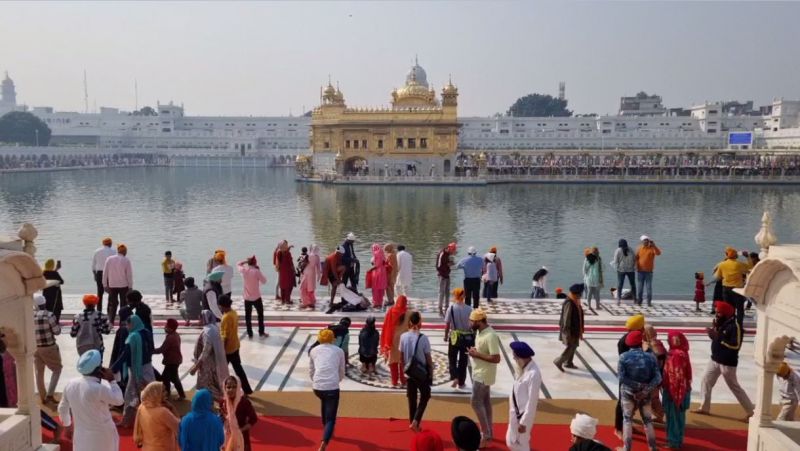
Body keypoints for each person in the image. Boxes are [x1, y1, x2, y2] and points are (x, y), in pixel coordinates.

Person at [694, 301, 755, 421]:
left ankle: (752, 412)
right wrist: (714, 333)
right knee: (706, 381)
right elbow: (717, 336)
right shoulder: (721, 322)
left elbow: (736, 345)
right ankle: (704, 407)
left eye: (719, 313)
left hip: (727, 362)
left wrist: (718, 337)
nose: (716, 315)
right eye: (716, 312)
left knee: (734, 387)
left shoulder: (735, 326)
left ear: (726, 313)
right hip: (715, 359)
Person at [58, 350, 124, 451]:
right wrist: (112, 381)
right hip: (102, 437)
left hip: (81, 436)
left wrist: (67, 425)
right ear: (99, 369)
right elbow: (119, 400)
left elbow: (62, 408)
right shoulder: (99, 388)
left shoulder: (70, 384)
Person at [618, 330, 661, 451]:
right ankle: (653, 448)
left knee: (627, 419)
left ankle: (627, 448)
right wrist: (644, 390)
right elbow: (658, 377)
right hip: (645, 394)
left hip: (627, 392)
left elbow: (621, 377)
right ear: (640, 343)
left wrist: (636, 386)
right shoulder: (651, 357)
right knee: (647, 421)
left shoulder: (623, 357)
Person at [111, 314, 156, 427]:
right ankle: (153, 420)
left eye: (128, 324)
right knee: (151, 395)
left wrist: (114, 368)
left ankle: (128, 421)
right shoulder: (147, 333)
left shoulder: (132, 337)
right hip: (148, 368)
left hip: (136, 371)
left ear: (133, 324)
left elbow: (125, 354)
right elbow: (151, 349)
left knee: (131, 396)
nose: (127, 327)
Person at [468, 308, 501, 448]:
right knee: (485, 402)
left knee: (475, 402)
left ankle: (485, 433)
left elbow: (496, 358)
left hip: (483, 374)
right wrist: (475, 352)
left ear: (479, 321)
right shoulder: (480, 332)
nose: (470, 323)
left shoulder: (491, 335)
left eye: (472, 321)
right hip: (479, 372)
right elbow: (483, 351)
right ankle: (489, 432)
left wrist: (477, 355)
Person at [309, 328, 346, 451]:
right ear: (332, 339)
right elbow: (341, 371)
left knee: (324, 403)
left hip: (317, 387)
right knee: (331, 418)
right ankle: (324, 443)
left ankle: (327, 430)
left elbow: (311, 370)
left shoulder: (314, 351)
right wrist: (337, 380)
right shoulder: (339, 351)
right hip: (332, 387)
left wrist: (316, 381)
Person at [400, 311, 433, 432]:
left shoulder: (403, 337)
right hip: (421, 372)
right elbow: (428, 358)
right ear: (420, 323)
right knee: (426, 395)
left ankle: (412, 422)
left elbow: (401, 357)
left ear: (409, 322)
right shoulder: (423, 338)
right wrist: (431, 372)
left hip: (409, 371)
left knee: (411, 398)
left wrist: (402, 373)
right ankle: (416, 421)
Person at [506, 341, 542, 451]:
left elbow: (532, 401)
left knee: (520, 445)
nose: (515, 360)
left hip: (522, 418)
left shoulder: (533, 374)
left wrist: (524, 422)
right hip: (515, 414)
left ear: (521, 357)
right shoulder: (523, 369)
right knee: (511, 441)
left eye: (515, 358)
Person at [614, 314, 646, 439]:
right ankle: (618, 428)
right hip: (628, 377)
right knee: (622, 401)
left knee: (633, 401)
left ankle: (628, 423)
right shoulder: (625, 342)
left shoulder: (637, 338)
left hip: (637, 376)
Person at [190, 310, 230, 402]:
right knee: (213, 385)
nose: (198, 321)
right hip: (214, 363)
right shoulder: (214, 328)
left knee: (208, 387)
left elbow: (206, 350)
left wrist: (196, 367)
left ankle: (222, 403)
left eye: (200, 318)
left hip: (207, 365)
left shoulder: (207, 332)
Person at [218, 295, 254, 395]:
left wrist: (222, 350)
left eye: (220, 306)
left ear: (223, 306)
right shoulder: (233, 313)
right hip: (235, 346)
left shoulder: (226, 317)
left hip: (228, 349)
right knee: (239, 370)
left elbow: (225, 336)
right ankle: (247, 390)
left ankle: (222, 391)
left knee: (221, 372)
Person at [662, 331, 692, 448]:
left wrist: (676, 395)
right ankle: (678, 440)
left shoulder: (675, 355)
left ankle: (673, 442)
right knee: (679, 417)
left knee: (673, 417)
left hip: (674, 391)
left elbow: (676, 376)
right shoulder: (683, 352)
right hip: (683, 389)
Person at [133, 381, 180, 451]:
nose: (166, 393)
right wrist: (172, 408)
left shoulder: (142, 406)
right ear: (155, 394)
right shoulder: (162, 412)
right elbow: (179, 427)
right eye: (163, 391)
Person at [33, 293, 62, 405]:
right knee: (57, 369)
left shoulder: (30, 315)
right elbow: (57, 331)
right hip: (49, 347)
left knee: (39, 372)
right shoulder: (49, 315)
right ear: (44, 303)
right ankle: (50, 395)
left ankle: (42, 396)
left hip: (36, 348)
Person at [380, 295, 412, 388]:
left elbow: (386, 326)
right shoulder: (409, 313)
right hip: (404, 340)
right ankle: (402, 379)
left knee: (393, 360)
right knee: (402, 360)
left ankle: (394, 380)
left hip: (393, 339)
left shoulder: (391, 311)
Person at [444, 288, 473, 389]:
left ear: (455, 296)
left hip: (454, 336)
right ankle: (461, 382)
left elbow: (447, 324)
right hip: (466, 338)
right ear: (464, 296)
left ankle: (454, 376)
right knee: (463, 360)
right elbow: (471, 325)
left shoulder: (451, 308)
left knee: (452, 358)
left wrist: (445, 335)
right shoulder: (469, 309)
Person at [714, 247, 750, 325]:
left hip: (726, 289)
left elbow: (717, 277)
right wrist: (747, 257)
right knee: (740, 309)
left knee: (729, 308)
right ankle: (739, 326)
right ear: (735, 256)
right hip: (737, 289)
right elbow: (750, 267)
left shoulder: (722, 264)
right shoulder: (739, 264)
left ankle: (729, 324)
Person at [221, 375, 258, 451]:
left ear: (238, 388)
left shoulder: (244, 402)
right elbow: (222, 418)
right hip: (227, 436)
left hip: (242, 437)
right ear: (225, 388)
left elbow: (253, 419)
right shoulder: (223, 402)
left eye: (234, 387)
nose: (231, 390)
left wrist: (240, 430)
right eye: (228, 387)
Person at [555, 284, 585, 372]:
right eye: (580, 294)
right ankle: (559, 361)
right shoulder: (569, 303)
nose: (581, 295)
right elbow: (566, 319)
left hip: (575, 329)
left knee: (574, 345)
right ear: (576, 294)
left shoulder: (575, 301)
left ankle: (568, 362)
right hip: (570, 330)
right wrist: (567, 333)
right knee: (571, 346)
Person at [154, 318, 185, 400]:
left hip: (172, 361)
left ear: (170, 328)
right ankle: (168, 394)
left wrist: (150, 351)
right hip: (174, 360)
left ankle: (178, 395)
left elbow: (161, 350)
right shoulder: (175, 335)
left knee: (171, 378)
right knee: (167, 378)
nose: (165, 328)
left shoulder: (170, 338)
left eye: (166, 326)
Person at [103, 243, 133, 326]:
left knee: (113, 304)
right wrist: (130, 287)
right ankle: (122, 322)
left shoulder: (109, 259)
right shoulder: (126, 260)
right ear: (125, 252)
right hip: (124, 285)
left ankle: (111, 321)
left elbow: (105, 273)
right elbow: (129, 275)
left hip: (112, 285)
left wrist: (105, 285)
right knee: (123, 304)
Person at [238, 256, 268, 338]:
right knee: (260, 315)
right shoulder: (256, 271)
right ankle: (261, 332)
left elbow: (239, 264)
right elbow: (264, 281)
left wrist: (245, 262)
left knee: (248, 316)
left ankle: (249, 333)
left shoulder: (244, 270)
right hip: (256, 297)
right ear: (255, 263)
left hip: (247, 298)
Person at [643, 324, 666, 423]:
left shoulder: (653, 346)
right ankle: (657, 414)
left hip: (654, 376)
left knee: (654, 397)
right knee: (653, 397)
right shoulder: (656, 343)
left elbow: (657, 361)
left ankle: (659, 415)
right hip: (657, 375)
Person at [110, 307, 133, 392]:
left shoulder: (123, 329)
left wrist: (117, 362)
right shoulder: (130, 327)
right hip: (127, 358)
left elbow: (120, 347)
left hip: (122, 358)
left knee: (122, 379)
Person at [634, 235, 661, 306]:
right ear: (642, 241)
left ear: (649, 241)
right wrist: (635, 266)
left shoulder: (652, 249)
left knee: (649, 288)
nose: (645, 241)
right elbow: (635, 258)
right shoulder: (639, 248)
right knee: (640, 288)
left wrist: (654, 246)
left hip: (649, 272)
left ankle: (649, 302)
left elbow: (658, 253)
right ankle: (639, 301)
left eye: (647, 240)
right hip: (640, 271)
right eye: (644, 240)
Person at [92, 237, 116, 311]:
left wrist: (95, 274)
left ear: (103, 243)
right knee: (110, 292)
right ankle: (109, 309)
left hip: (99, 272)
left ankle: (99, 310)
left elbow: (93, 265)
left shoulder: (97, 251)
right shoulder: (114, 251)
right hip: (110, 272)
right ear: (110, 243)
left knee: (99, 292)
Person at [611, 239, 636, 306]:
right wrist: (618, 268)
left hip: (626, 270)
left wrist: (633, 266)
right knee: (626, 284)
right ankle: (621, 299)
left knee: (626, 284)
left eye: (622, 246)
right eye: (622, 246)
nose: (623, 247)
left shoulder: (626, 250)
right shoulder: (622, 250)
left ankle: (632, 298)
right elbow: (616, 261)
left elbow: (634, 258)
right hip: (625, 270)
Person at [436, 242, 457, 316]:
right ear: (449, 249)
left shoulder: (448, 254)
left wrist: (450, 263)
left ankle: (447, 308)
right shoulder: (442, 254)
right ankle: (440, 309)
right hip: (442, 275)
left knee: (447, 292)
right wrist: (447, 265)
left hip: (447, 274)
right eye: (452, 251)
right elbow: (438, 266)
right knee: (441, 293)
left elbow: (447, 262)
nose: (452, 253)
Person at [300, 244, 322, 310]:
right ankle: (312, 302)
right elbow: (319, 268)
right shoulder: (317, 257)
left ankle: (305, 303)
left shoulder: (308, 256)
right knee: (311, 289)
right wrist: (318, 276)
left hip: (306, 273)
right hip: (313, 274)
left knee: (303, 288)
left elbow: (302, 265)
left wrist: (301, 273)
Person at [369, 243, 389, 308]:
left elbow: (377, 265)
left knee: (375, 288)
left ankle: (375, 303)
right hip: (383, 273)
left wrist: (370, 270)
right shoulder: (383, 255)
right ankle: (380, 303)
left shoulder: (376, 255)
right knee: (381, 288)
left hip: (377, 273)